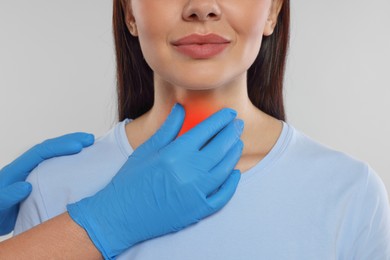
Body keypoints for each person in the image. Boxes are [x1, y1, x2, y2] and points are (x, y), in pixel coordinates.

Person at [15, 0, 390, 259]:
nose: (201, 6)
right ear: (130, 11)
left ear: (272, 10)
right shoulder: (54, 187)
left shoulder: (349, 192)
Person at [1, 106, 243, 259]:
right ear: (130, 22)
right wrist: (103, 222)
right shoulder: (53, 180)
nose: (201, 20)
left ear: (272, 20)